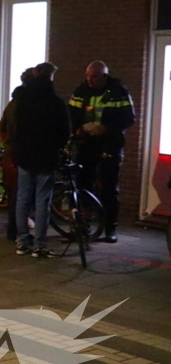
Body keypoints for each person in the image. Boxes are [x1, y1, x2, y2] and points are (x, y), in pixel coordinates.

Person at [68, 61, 135, 243]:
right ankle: (82, 225)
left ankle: (110, 228)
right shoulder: (81, 90)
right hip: (86, 144)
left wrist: (106, 128)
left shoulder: (118, 92)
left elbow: (128, 118)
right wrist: (78, 129)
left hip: (109, 146)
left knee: (109, 187)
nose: (90, 80)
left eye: (95, 77)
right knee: (82, 186)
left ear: (105, 76)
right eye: (88, 76)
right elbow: (71, 114)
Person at [11, 62, 70, 258]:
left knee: (23, 199)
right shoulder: (56, 103)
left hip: (24, 155)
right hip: (46, 156)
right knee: (42, 201)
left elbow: (16, 128)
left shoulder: (22, 101)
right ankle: (40, 245)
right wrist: (56, 146)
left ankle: (22, 242)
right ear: (51, 77)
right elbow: (65, 132)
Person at [0, 67, 37, 240]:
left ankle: (13, 229)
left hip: (11, 153)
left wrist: (7, 142)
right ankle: (19, 232)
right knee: (22, 193)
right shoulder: (27, 104)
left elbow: (2, 126)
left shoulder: (12, 103)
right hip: (22, 154)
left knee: (14, 192)